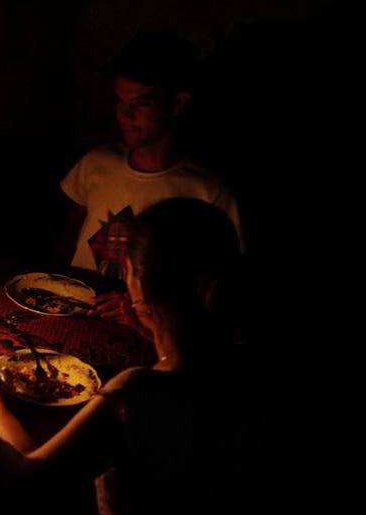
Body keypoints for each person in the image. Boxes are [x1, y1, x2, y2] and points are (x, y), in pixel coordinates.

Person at [0, 198, 257, 515]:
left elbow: (30, 473)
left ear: (138, 281)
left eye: (129, 269)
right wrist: (154, 328)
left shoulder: (140, 390)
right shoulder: (239, 362)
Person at [58, 31, 243, 327]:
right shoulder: (97, 164)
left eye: (141, 103)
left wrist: (143, 306)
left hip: (147, 334)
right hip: (78, 312)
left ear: (177, 103)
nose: (125, 115)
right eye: (119, 101)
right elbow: (70, 232)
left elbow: (219, 288)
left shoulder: (207, 194)